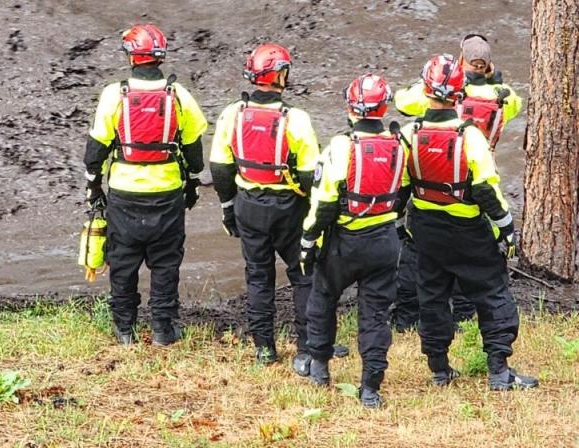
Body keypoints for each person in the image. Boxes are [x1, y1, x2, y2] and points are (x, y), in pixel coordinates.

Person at [400, 53, 537, 392]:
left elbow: (400, 187)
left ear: (425, 90)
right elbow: (486, 189)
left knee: (431, 296)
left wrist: (400, 227)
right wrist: (506, 227)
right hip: (469, 230)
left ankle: (439, 369)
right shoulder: (470, 136)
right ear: (458, 93)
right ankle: (499, 371)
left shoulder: (408, 134)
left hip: (426, 228)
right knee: (492, 292)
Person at [84, 25, 208, 346]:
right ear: (160, 56)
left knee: (123, 261)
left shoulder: (115, 94)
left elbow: (95, 150)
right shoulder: (178, 95)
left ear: (130, 57)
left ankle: (125, 329)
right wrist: (192, 180)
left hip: (124, 195)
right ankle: (163, 330)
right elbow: (194, 150)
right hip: (167, 195)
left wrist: (93, 187)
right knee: (166, 262)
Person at [393, 34, 523, 329]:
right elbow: (515, 104)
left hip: (429, 195)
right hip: (473, 188)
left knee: (418, 255)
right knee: (472, 258)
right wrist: (492, 82)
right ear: (489, 64)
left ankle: (408, 319)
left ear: (461, 61)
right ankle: (465, 314)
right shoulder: (504, 97)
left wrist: (430, 80)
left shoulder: (443, 93)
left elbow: (402, 101)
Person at [298, 74, 409, 409]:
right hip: (384, 241)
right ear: (384, 106)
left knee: (323, 297)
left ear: (350, 107)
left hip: (344, 241)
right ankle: (371, 387)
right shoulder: (399, 144)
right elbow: (402, 191)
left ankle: (318, 367)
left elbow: (325, 202)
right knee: (375, 314)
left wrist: (308, 238)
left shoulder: (340, 146)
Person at [210, 43, 320, 369]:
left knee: (258, 277)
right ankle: (307, 348)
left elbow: (219, 167)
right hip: (289, 208)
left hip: (248, 206)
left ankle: (264, 349)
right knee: (303, 276)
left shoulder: (233, 114)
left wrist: (228, 207)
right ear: (280, 76)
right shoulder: (296, 119)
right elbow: (309, 174)